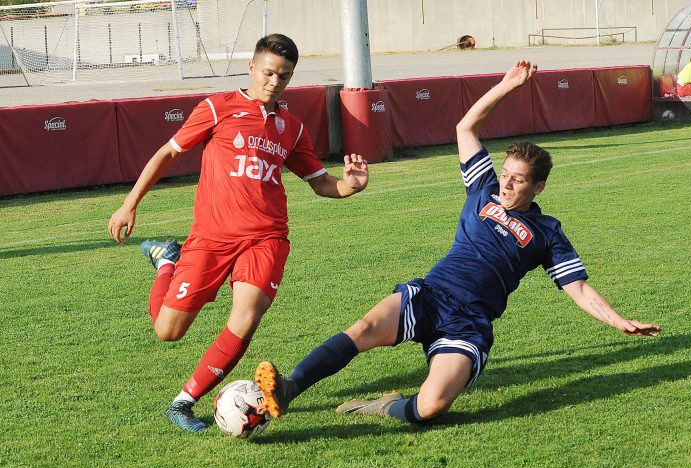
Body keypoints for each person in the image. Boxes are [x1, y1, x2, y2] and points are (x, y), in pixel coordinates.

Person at [254, 60, 661, 424]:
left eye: (518, 179)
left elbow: (579, 287)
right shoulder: (482, 187)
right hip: (431, 294)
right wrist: (507, 85)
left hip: (469, 324)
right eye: (505, 172)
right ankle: (290, 389)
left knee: (430, 407)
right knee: (362, 329)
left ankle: (384, 405)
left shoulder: (548, 232)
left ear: (538, 187)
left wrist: (618, 320)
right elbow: (466, 127)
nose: (506, 182)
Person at [107, 34, 369, 432]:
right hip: (211, 238)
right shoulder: (217, 108)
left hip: (267, 238)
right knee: (167, 330)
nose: (274, 82)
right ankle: (166, 261)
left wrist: (351, 184)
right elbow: (168, 153)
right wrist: (130, 204)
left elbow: (320, 183)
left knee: (246, 317)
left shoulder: (292, 128)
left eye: (284, 76)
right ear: (251, 68)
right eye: (268, 73)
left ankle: (184, 402)